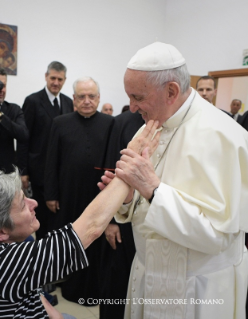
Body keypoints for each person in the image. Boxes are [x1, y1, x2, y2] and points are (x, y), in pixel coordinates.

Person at [0, 123, 159, 319]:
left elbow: (27, 286)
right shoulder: (6, 265)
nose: (34, 204)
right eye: (23, 204)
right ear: (0, 231)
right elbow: (91, 227)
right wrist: (132, 165)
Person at [100, 42, 248, 319]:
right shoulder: (150, 125)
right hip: (148, 271)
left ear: (171, 91)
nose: (131, 107)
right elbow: (141, 208)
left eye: (137, 97)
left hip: (197, 288)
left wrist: (152, 189)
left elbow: (217, 236)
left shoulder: (224, 136)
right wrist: (128, 196)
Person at [44, 76, 114, 305]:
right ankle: (72, 287)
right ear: (73, 99)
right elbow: (51, 160)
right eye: (81, 96)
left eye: (91, 96)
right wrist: (51, 194)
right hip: (69, 193)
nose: (86, 101)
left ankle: (95, 289)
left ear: (98, 98)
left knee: (96, 242)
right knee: (74, 240)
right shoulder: (60, 122)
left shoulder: (110, 123)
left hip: (99, 194)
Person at [18, 61, 73, 239]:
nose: (56, 82)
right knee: (42, 220)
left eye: (60, 79)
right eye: (53, 78)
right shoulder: (33, 101)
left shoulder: (68, 102)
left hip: (62, 171)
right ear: (46, 77)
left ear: (64, 80)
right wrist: (23, 171)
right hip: (39, 171)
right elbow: (24, 138)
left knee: (60, 219)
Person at [99, 110, 144, 319]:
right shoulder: (122, 122)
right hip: (124, 218)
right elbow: (109, 172)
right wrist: (110, 220)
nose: (134, 104)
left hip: (157, 225)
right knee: (119, 280)